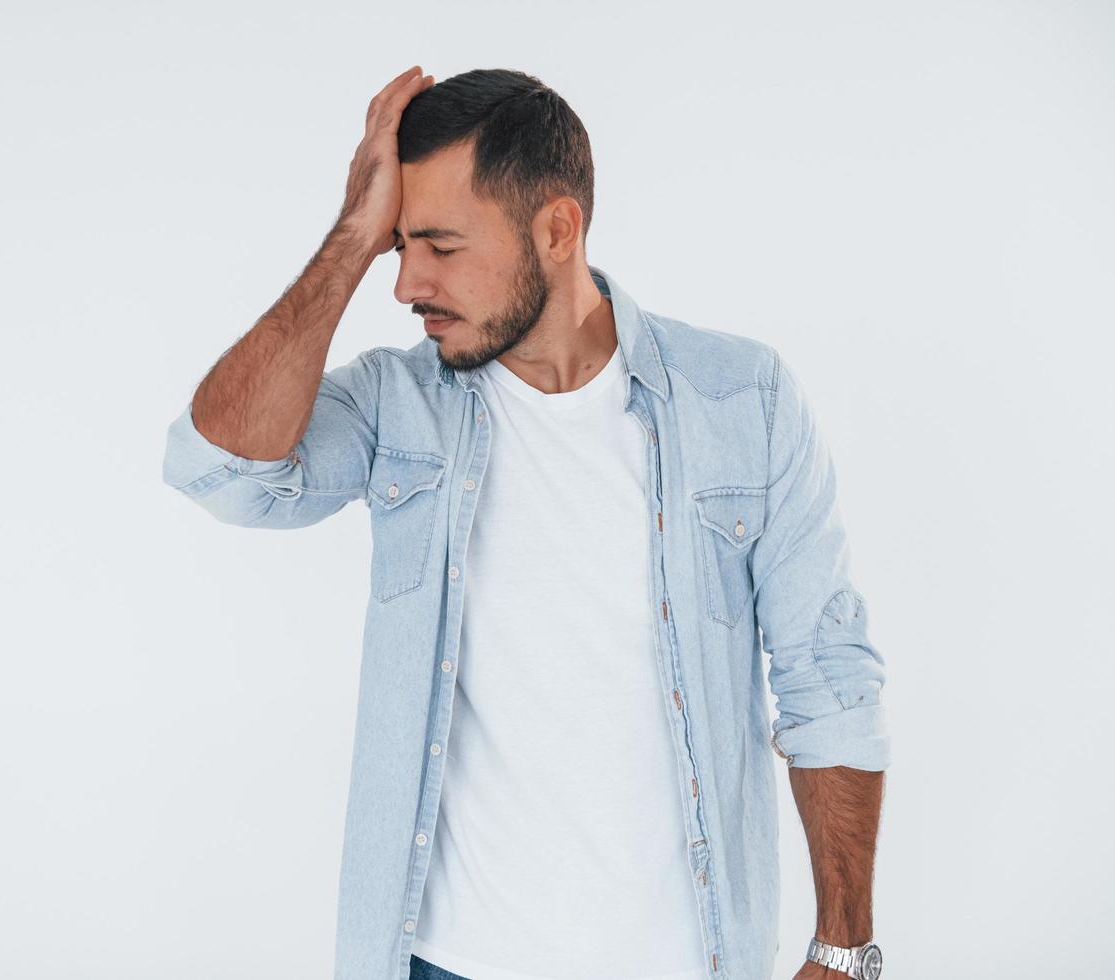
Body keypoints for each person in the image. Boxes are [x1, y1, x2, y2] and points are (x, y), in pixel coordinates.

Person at [161, 66, 888, 980]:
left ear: (557, 229)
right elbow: (221, 472)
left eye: (439, 246)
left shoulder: (742, 401)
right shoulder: (400, 406)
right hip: (441, 964)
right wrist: (351, 236)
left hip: (686, 960)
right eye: (397, 246)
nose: (406, 284)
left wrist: (844, 946)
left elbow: (826, 677)